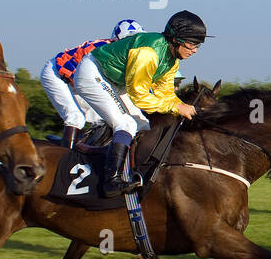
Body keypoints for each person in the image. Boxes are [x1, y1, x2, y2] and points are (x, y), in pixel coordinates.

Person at [74, 10, 207, 197]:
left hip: (116, 81)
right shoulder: (149, 52)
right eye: (192, 44)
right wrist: (177, 107)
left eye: (198, 46)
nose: (194, 50)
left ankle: (129, 170)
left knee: (143, 125)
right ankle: (111, 181)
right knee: (125, 123)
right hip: (93, 73)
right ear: (176, 39)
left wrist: (186, 109)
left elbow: (165, 94)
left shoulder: (171, 61)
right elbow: (140, 95)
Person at [40, 19, 145, 149]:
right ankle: (66, 156)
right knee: (76, 118)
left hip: (74, 79)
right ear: (115, 40)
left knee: (101, 119)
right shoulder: (100, 49)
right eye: (128, 41)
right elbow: (78, 80)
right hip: (56, 74)